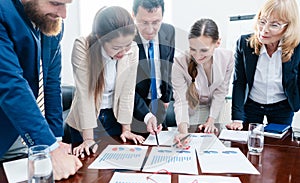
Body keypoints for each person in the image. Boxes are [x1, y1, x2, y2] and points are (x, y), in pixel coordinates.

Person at [0, 0, 82, 180]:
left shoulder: (51, 22)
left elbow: (52, 83)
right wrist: (50, 149)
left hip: (28, 142)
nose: (63, 14)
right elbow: (10, 85)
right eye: (56, 3)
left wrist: (56, 141)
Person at [66, 6, 145, 157]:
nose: (123, 53)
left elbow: (127, 92)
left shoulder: (133, 50)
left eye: (127, 45)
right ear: (100, 38)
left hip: (114, 118)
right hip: (85, 123)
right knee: (88, 170)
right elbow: (85, 94)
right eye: (116, 48)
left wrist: (126, 129)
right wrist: (88, 138)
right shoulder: (83, 46)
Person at [226, 0, 300, 130]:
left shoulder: (297, 47)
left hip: (282, 106)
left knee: (279, 147)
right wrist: (237, 117)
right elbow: (239, 82)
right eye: (262, 21)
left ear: (289, 27)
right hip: (252, 104)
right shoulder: (244, 43)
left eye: (274, 25)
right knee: (248, 144)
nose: (264, 30)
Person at [172, 19, 234, 145]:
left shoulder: (227, 58)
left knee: (212, 145)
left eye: (203, 50)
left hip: (214, 108)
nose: (197, 55)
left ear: (217, 43)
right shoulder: (179, 62)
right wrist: (183, 131)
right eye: (193, 49)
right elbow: (181, 101)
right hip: (190, 110)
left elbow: (221, 92)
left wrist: (211, 120)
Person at [132, 0, 175, 134]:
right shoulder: (125, 38)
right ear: (133, 15)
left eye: (156, 22)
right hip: (135, 106)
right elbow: (124, 87)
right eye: (144, 22)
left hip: (160, 103)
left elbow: (169, 64)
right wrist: (145, 114)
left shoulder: (169, 31)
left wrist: (167, 96)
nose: (150, 30)